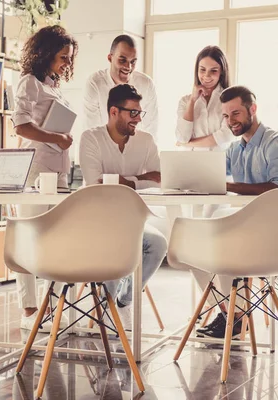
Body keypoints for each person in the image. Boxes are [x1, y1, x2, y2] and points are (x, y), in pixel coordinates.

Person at [195, 85, 278, 339]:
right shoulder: (234, 149)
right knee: (192, 249)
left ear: (252, 109)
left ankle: (235, 317)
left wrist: (228, 185)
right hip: (248, 229)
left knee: (219, 243)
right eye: (226, 116)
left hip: (276, 235)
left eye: (236, 113)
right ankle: (230, 314)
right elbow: (215, 174)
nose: (230, 121)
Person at [79, 84, 168, 330]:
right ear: (114, 112)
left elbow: (160, 179)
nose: (138, 119)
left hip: (131, 221)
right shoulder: (91, 138)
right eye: (133, 113)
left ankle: (124, 300)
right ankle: (105, 308)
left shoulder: (146, 141)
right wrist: (141, 179)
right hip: (96, 222)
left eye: (140, 113)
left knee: (158, 243)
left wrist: (127, 181)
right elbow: (96, 183)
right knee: (114, 242)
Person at [11, 25, 78, 330]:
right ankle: (29, 310)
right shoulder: (29, 83)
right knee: (28, 239)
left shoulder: (54, 85)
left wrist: (63, 138)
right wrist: (56, 136)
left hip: (59, 170)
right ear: (46, 54)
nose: (66, 63)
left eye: (69, 58)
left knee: (57, 239)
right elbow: (21, 127)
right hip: (36, 169)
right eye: (63, 57)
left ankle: (52, 308)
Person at [83, 35, 159, 137]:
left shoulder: (147, 84)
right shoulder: (95, 83)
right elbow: (91, 129)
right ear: (110, 58)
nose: (128, 67)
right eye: (122, 60)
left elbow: (151, 129)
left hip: (137, 148)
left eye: (133, 62)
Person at [175, 45, 236, 151]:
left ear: (221, 71)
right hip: (191, 164)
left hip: (220, 163)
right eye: (202, 70)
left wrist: (188, 144)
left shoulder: (230, 100)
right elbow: (182, 137)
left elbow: (225, 136)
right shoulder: (185, 101)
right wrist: (192, 101)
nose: (207, 76)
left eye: (213, 71)